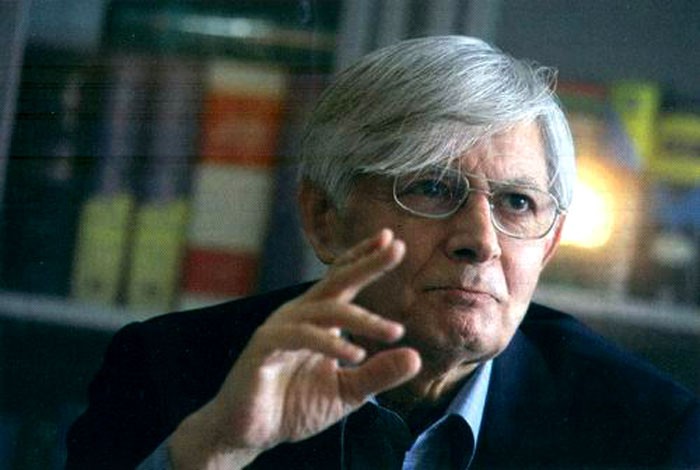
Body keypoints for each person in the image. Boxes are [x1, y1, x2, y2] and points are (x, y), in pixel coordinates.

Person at [66, 36, 700, 469]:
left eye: (517, 203)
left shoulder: (648, 433)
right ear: (325, 219)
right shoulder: (167, 373)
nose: (480, 241)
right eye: (431, 189)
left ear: (550, 244)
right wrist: (218, 449)